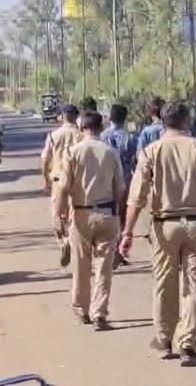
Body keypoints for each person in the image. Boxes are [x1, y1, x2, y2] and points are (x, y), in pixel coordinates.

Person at [120, 101, 196, 367]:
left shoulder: (151, 151)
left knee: (164, 284)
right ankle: (187, 343)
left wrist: (127, 232)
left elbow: (136, 197)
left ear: (163, 122)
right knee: (194, 288)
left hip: (165, 228)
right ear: (186, 121)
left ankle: (164, 340)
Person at [53, 111, 126, 332]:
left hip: (81, 214)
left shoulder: (73, 152)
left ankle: (82, 309)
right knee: (104, 268)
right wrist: (118, 215)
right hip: (106, 214)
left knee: (81, 265)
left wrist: (59, 215)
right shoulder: (110, 152)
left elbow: (63, 187)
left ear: (81, 128)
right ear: (100, 127)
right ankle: (99, 313)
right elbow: (120, 189)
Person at [42, 105, 83, 269]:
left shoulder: (53, 135)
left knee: (57, 214)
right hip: (76, 179)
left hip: (58, 177)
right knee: (75, 213)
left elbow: (45, 159)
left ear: (62, 117)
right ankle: (73, 242)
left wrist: (46, 179)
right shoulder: (81, 135)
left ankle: (62, 240)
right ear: (76, 117)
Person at [100, 104, 137, 268]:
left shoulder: (102, 137)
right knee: (122, 217)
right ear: (125, 118)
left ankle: (107, 251)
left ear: (110, 117)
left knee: (107, 215)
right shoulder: (130, 138)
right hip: (125, 180)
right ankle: (119, 251)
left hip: (105, 181)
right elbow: (136, 160)